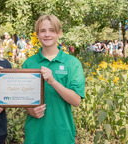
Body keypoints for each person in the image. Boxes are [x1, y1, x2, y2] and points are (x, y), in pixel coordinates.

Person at [22, 15, 85, 144]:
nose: (47, 35)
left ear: (59, 33)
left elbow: (76, 101)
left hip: (62, 134)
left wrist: (53, 82)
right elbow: (24, 98)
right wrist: (30, 110)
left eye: (52, 30)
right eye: (42, 31)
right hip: (35, 133)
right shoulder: (29, 63)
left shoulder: (72, 63)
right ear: (37, 35)